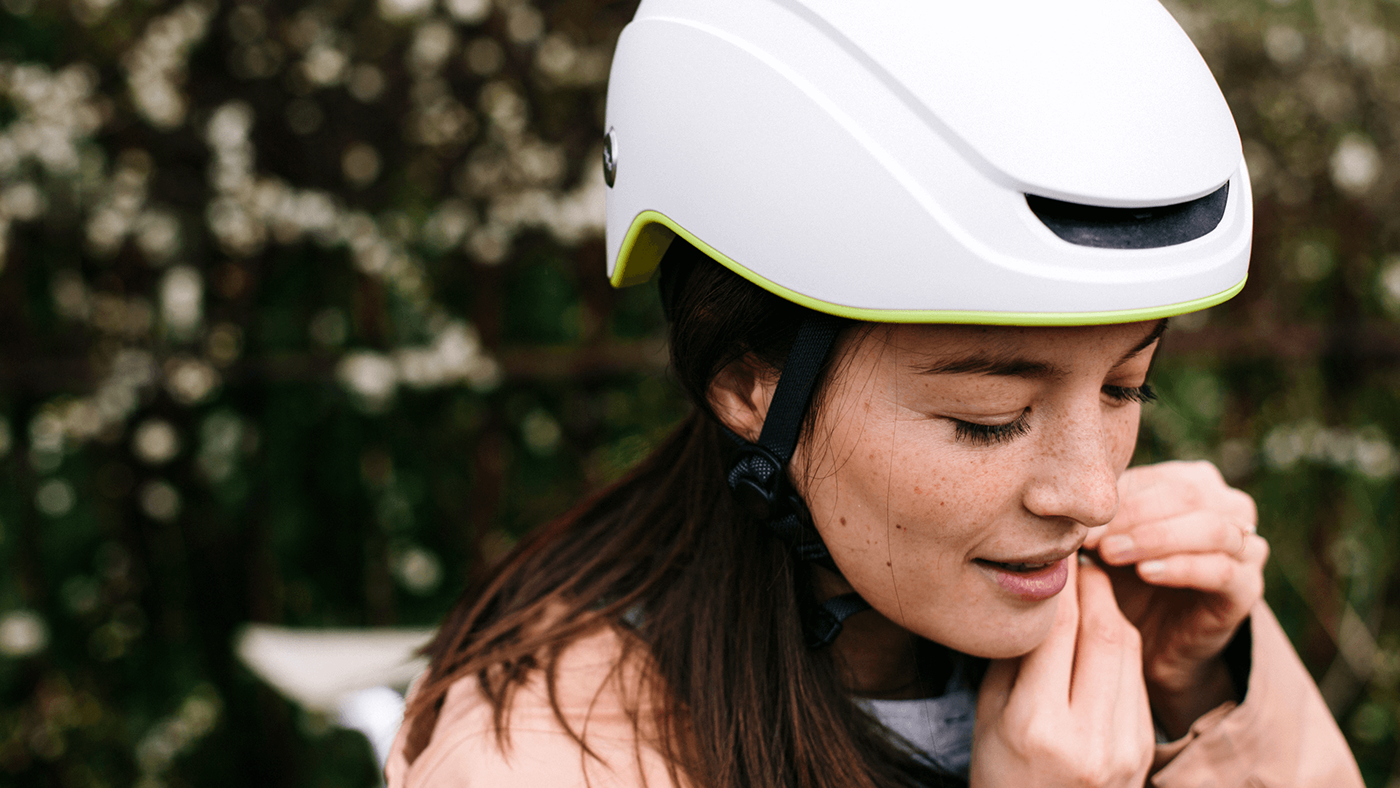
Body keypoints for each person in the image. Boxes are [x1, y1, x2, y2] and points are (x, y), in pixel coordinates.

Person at [387, 1, 1365, 785]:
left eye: (1125, 389)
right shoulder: (546, 755)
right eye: (985, 420)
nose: (1091, 493)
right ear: (746, 382)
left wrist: (1201, 695)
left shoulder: (1138, 624)